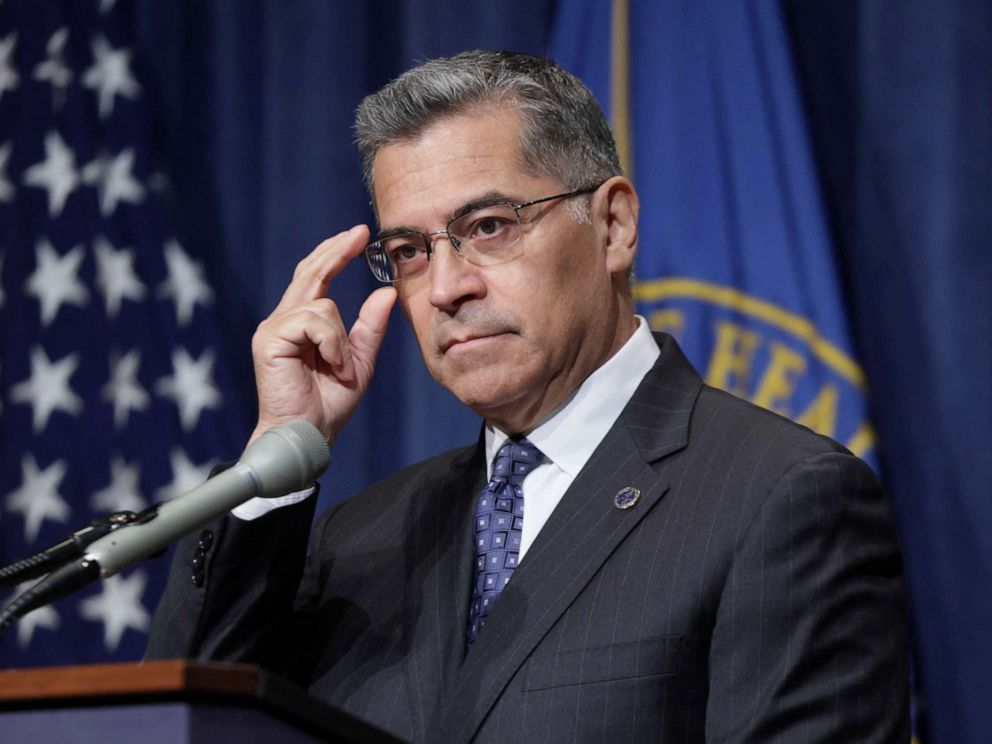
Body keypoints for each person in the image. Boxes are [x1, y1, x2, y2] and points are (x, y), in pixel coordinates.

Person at [147, 51, 909, 743]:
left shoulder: (780, 499)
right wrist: (280, 449)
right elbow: (183, 725)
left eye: (489, 226)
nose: (447, 287)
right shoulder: (361, 539)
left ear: (613, 225)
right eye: (411, 252)